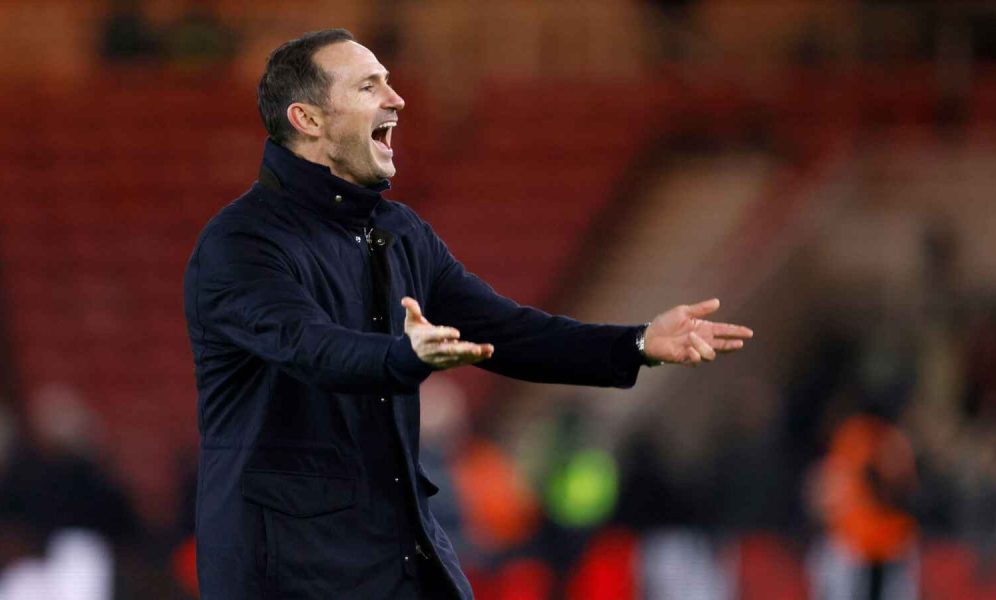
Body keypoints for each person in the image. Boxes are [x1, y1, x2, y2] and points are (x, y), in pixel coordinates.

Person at [182, 28, 753, 600]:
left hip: (397, 556)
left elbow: (509, 331)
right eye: (368, 85)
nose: (396, 98)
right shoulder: (241, 244)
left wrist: (635, 344)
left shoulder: (399, 232)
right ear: (307, 119)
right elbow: (310, 347)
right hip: (285, 572)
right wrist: (404, 356)